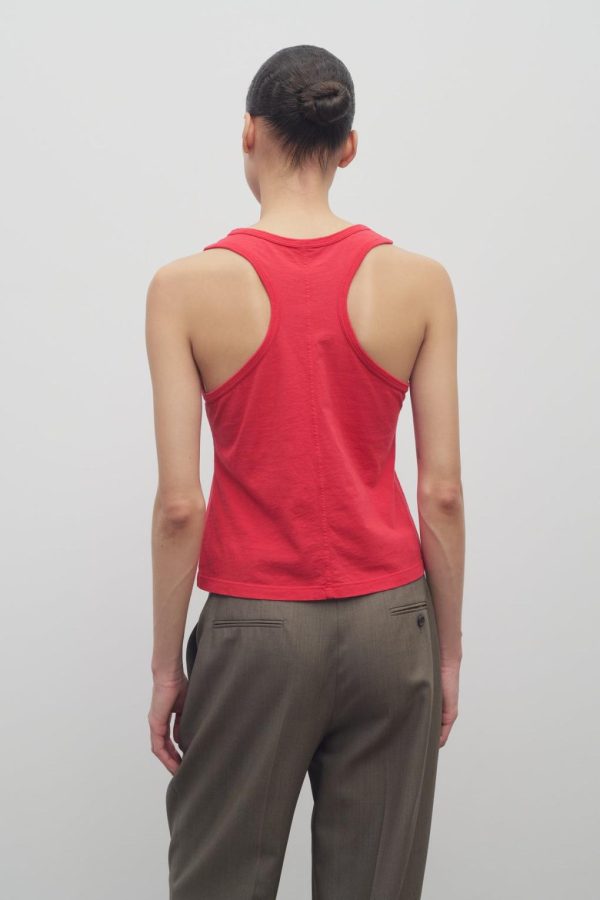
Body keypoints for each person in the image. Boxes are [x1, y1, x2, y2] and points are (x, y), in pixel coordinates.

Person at [145, 44, 464, 900]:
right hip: (393, 622)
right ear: (347, 146)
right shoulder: (422, 283)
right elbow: (442, 493)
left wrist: (167, 668)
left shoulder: (183, 288)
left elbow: (179, 506)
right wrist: (448, 651)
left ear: (248, 133)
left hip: (255, 632)